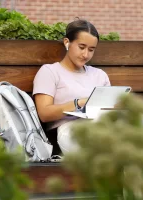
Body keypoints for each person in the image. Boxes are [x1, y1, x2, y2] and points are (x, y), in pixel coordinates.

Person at [33, 19, 111, 155]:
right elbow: (44, 114)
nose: (86, 54)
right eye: (81, 47)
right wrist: (79, 103)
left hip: (102, 126)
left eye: (91, 50)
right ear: (67, 42)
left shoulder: (99, 75)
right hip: (69, 130)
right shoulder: (50, 72)